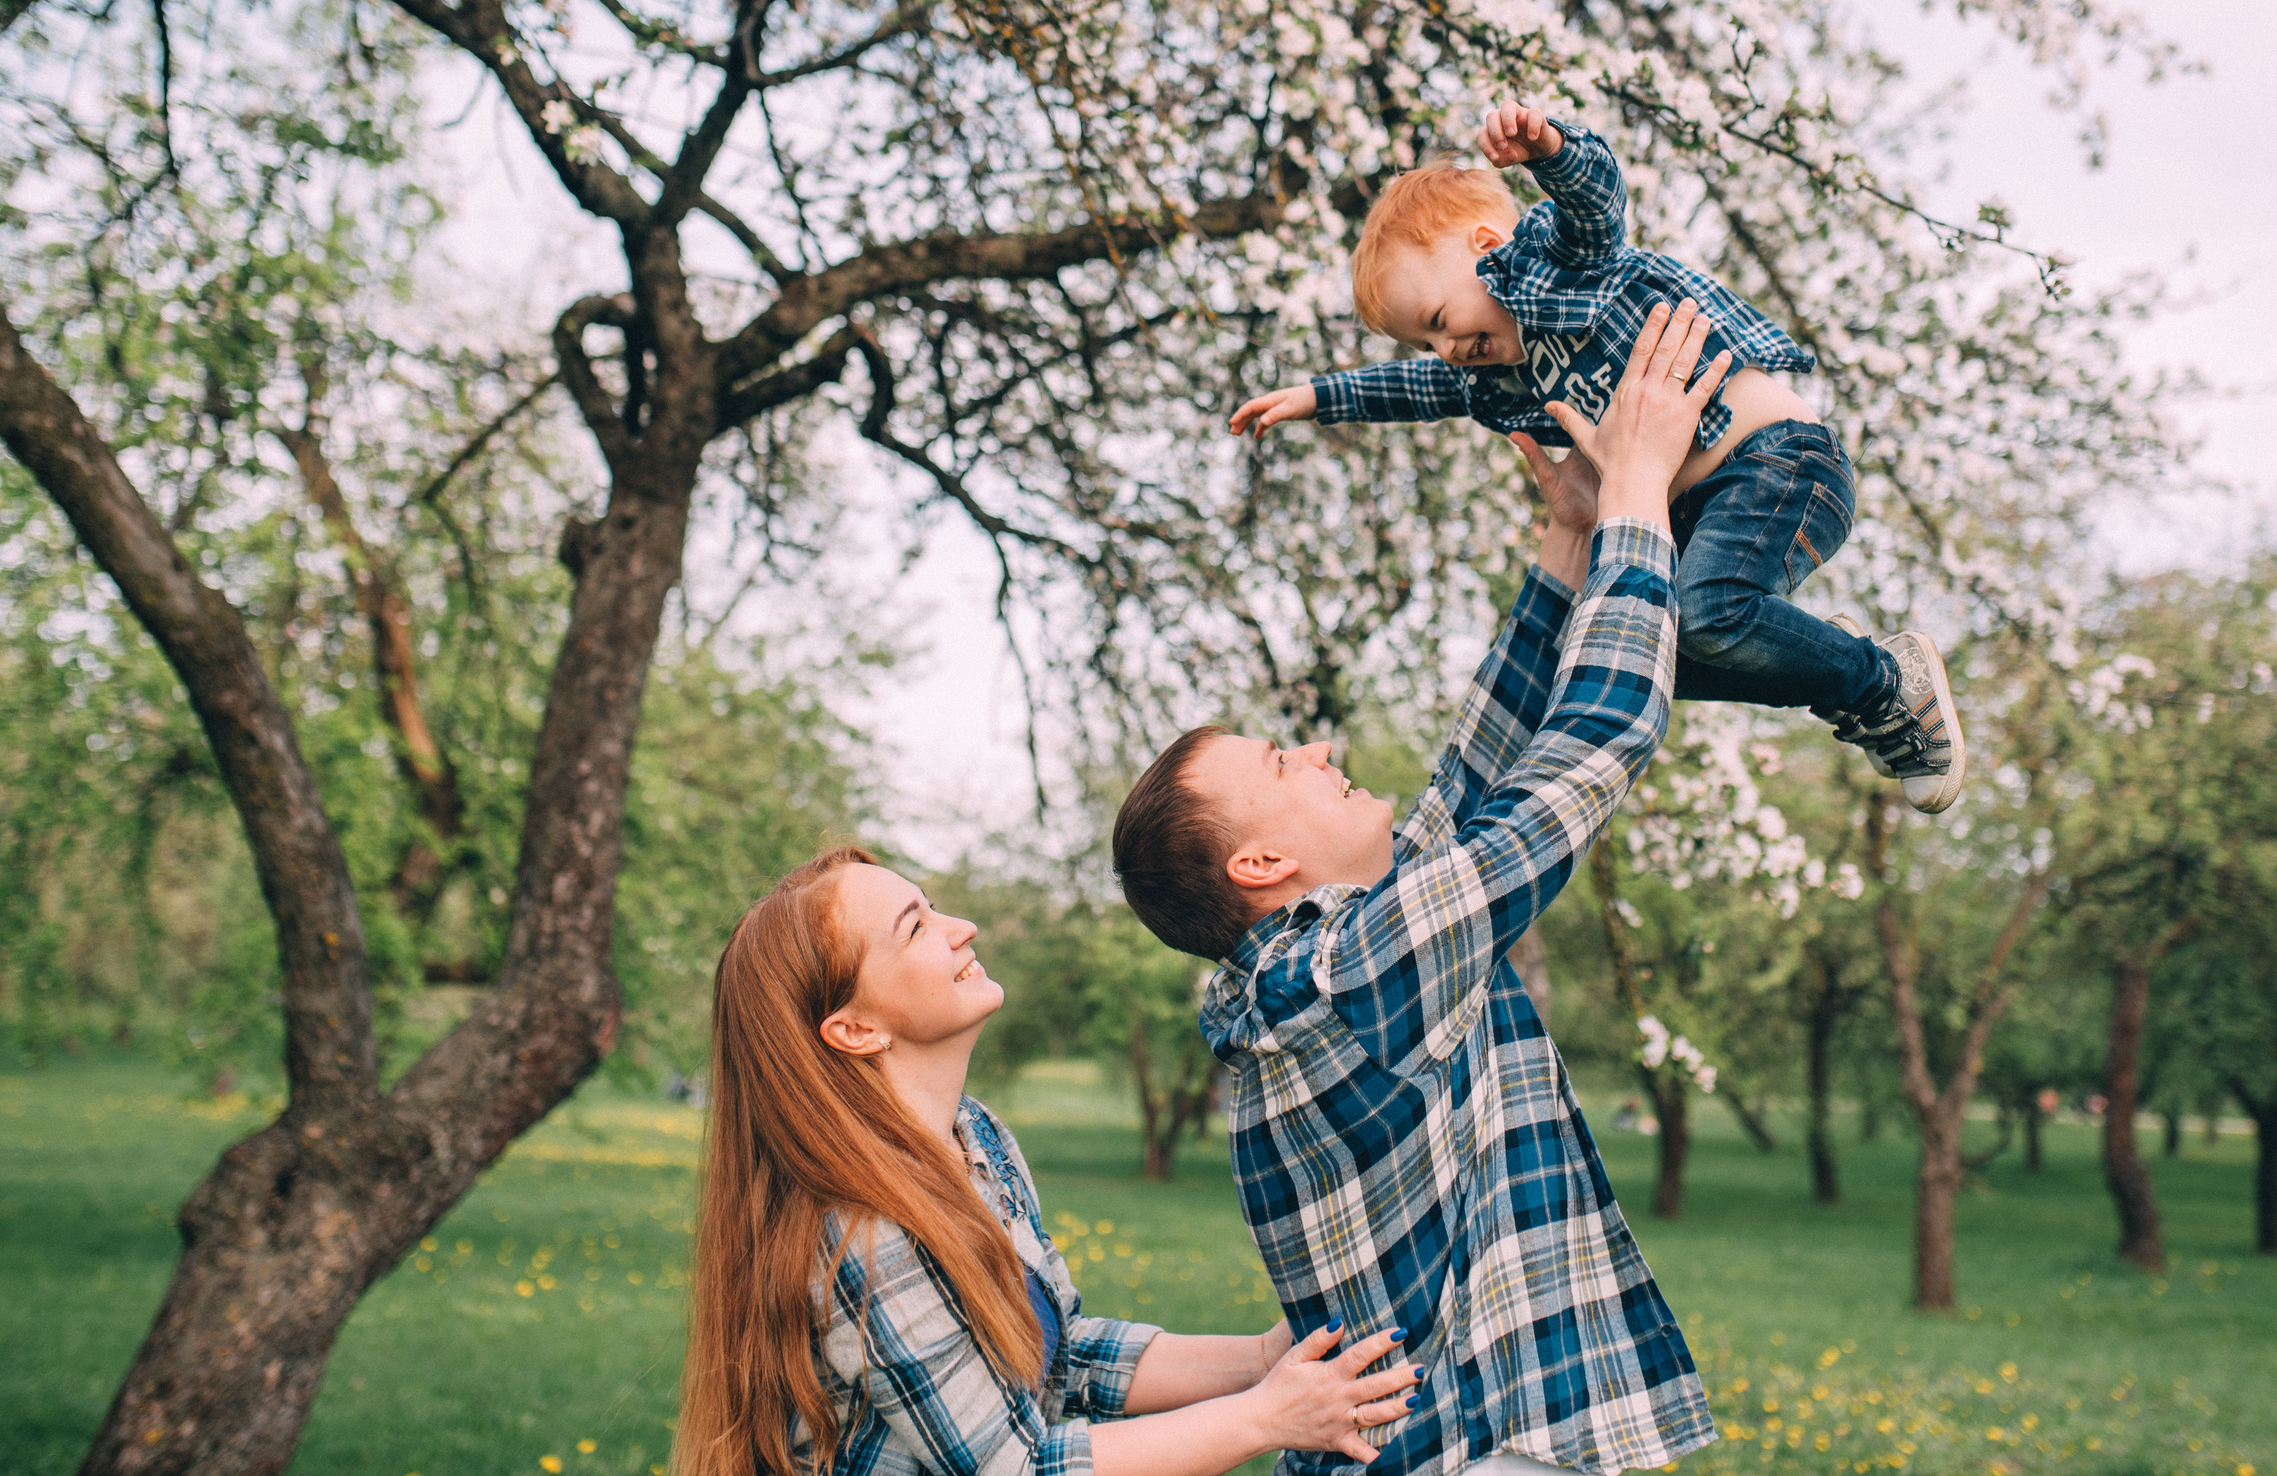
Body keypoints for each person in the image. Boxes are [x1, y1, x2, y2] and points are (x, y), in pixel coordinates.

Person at [1113, 304, 1730, 1476]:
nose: (1313, 749)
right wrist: (1642, 497)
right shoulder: (1347, 976)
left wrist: (1570, 539)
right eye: (1277, 764)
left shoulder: (1316, 967)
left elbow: (1474, 779)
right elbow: (1591, 744)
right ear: (1259, 867)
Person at [1227, 102, 1963, 812]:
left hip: (1777, 464)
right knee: (1633, 649)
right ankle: (1809, 649)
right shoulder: (1508, 365)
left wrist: (1550, 149)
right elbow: (1421, 388)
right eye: (1427, 341)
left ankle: (1880, 682)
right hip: (1696, 511)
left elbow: (1596, 205)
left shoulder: (1562, 268)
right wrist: (1321, 396)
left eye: (1441, 321)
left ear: (1489, 249)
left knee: (1705, 615)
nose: (1446, 350)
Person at [673, 846, 1423, 1476]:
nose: (961, 927)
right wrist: (1265, 1417)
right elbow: (1019, 1467)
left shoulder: (975, 1138)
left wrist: (1260, 1359)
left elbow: (1062, 1357)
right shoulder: (868, 1234)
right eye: (916, 926)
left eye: (932, 906)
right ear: (856, 1028)